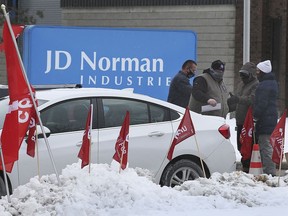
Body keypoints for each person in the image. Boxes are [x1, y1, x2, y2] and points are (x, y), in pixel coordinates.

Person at [227, 62, 259, 173]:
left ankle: (247, 167)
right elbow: (238, 99)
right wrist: (229, 105)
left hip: (248, 122)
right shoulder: (241, 84)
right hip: (240, 120)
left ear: (251, 75)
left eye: (245, 75)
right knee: (240, 145)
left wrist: (238, 99)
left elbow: (251, 100)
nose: (242, 77)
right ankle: (244, 163)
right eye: (241, 75)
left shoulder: (256, 84)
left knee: (247, 145)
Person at [253, 60, 278, 176]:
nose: (256, 73)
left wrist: (255, 115)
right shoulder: (271, 83)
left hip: (265, 120)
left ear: (262, 72)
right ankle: (269, 169)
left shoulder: (264, 85)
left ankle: (269, 171)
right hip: (270, 118)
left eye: (258, 71)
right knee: (268, 144)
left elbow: (261, 103)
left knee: (265, 145)